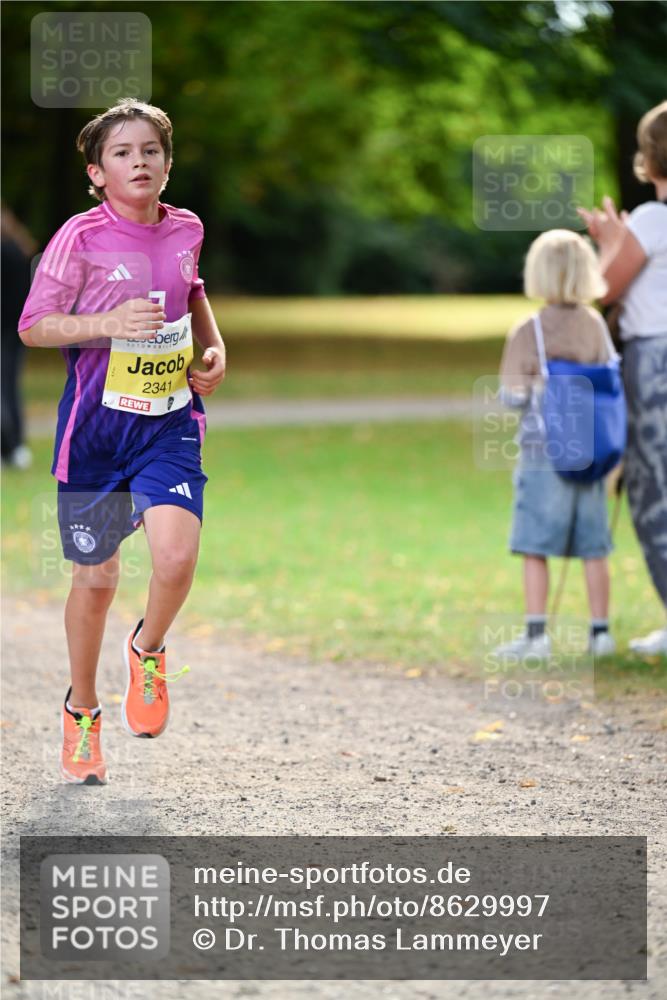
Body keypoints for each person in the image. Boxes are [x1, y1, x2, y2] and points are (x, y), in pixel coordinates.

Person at [18, 99, 226, 784]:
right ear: (96, 172)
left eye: (150, 151)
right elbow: (33, 327)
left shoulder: (186, 228)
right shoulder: (78, 239)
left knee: (174, 556)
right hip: (97, 435)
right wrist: (107, 323)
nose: (139, 162)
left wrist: (214, 345)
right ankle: (82, 710)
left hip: (168, 421)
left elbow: (192, 290)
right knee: (97, 579)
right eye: (122, 153)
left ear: (167, 163)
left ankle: (150, 648)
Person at [494, 229, 616, 660]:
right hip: (592, 451)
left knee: (535, 544)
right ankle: (600, 634)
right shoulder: (595, 325)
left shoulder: (528, 331)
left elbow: (512, 396)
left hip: (543, 453)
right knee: (593, 545)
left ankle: (536, 636)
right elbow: (611, 381)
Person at [578, 100, 667, 656]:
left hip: (655, 362)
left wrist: (609, 241)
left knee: (652, 489)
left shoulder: (654, 220)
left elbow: (599, 290)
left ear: (650, 158)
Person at [1, 203, 36, 469]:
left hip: (6, 331)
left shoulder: (6, 253)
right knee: (10, 388)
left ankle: (10, 446)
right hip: (16, 331)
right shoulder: (21, 250)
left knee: (5, 390)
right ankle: (15, 445)